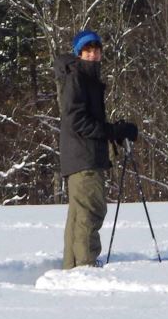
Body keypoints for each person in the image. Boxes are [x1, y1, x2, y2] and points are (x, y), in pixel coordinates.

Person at [55, 29, 137, 269]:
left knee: (79, 215)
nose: (93, 54)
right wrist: (112, 131)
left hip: (80, 157)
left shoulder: (84, 78)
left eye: (96, 49)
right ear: (78, 53)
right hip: (84, 158)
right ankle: (85, 265)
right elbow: (77, 121)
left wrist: (113, 133)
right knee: (90, 212)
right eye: (87, 50)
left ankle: (72, 268)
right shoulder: (78, 77)